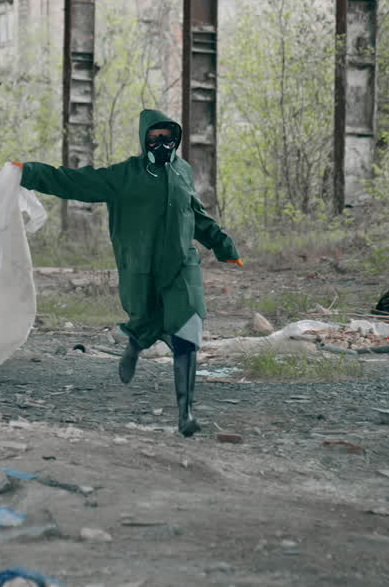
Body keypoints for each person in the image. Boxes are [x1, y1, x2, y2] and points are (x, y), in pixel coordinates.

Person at [13, 109, 242, 437]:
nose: (162, 143)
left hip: (182, 266)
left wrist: (223, 245)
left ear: (176, 138)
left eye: (167, 137)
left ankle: (186, 413)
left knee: (188, 330)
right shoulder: (124, 175)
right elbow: (76, 181)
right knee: (144, 320)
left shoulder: (183, 171)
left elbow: (195, 213)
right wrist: (30, 173)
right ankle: (135, 345)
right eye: (155, 137)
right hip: (141, 268)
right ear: (144, 139)